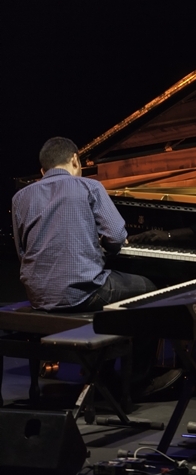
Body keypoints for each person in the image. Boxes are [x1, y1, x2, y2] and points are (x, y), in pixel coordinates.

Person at [11, 136, 179, 396]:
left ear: (43, 171)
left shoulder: (20, 197)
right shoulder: (89, 187)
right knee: (149, 291)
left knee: (117, 290)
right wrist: (104, 249)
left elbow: (22, 252)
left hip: (39, 294)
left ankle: (103, 372)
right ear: (76, 160)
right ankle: (138, 381)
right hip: (83, 292)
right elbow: (116, 236)